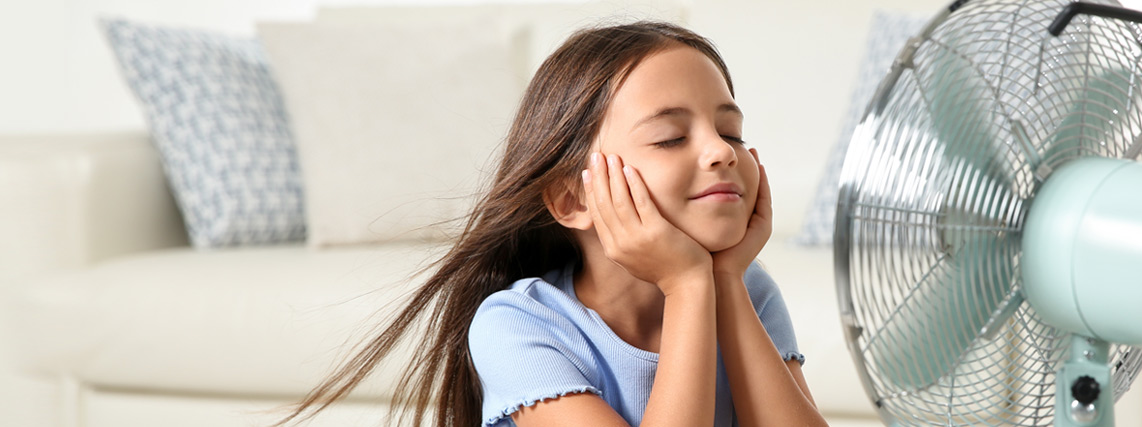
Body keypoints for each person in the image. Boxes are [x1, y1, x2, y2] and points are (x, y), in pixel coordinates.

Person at [274, 21, 828, 427]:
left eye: (730, 132)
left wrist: (725, 282)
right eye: (670, 138)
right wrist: (687, 285)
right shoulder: (519, 325)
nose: (722, 153)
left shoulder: (749, 292)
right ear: (571, 199)